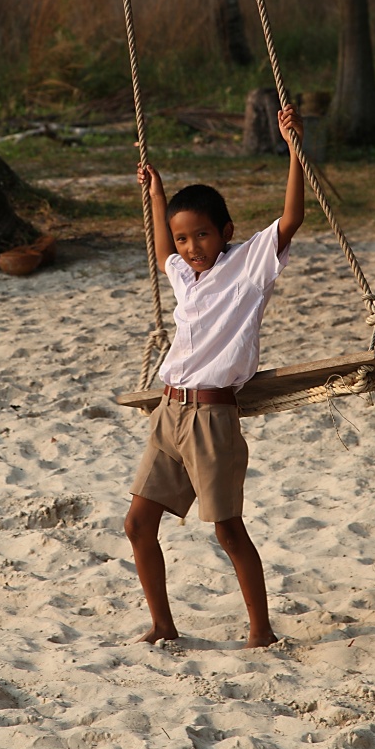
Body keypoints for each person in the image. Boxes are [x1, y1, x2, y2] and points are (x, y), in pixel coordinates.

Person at [126, 105, 304, 648]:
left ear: (224, 232)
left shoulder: (248, 266)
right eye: (184, 239)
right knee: (137, 524)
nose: (190, 248)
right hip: (169, 411)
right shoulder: (185, 275)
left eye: (201, 236)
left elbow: (292, 218)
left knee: (227, 529)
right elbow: (162, 254)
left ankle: (261, 632)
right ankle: (163, 623)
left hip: (213, 416)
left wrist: (295, 149)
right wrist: (156, 195)